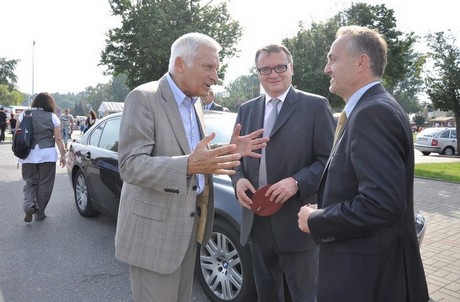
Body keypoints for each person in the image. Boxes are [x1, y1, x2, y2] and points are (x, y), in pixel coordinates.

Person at [114, 32, 268, 302]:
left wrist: (229, 150)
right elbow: (130, 165)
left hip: (189, 227)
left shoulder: (195, 103)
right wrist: (188, 165)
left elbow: (195, 154)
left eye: (216, 69)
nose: (215, 77)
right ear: (180, 63)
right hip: (154, 236)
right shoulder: (143, 98)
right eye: (208, 67)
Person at [297, 26, 429, 302]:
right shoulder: (370, 108)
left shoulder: (373, 112)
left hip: (366, 280)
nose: (326, 68)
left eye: (333, 59)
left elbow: (381, 204)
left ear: (361, 62)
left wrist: (318, 219)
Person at [231, 44, 335, 302]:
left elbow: (330, 160)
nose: (273, 74)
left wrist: (296, 182)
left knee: (303, 296)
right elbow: (236, 156)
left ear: (292, 69)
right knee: (266, 294)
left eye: (280, 67)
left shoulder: (315, 106)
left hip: (297, 223)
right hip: (257, 222)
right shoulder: (247, 109)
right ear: (258, 73)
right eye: (265, 69)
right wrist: (238, 179)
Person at [16, 92, 66, 222]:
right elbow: (58, 138)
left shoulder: (25, 114)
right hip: (47, 154)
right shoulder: (53, 117)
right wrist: (63, 155)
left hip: (28, 154)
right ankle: (39, 211)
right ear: (49, 103)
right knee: (45, 184)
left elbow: (17, 133)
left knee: (30, 182)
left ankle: (28, 206)